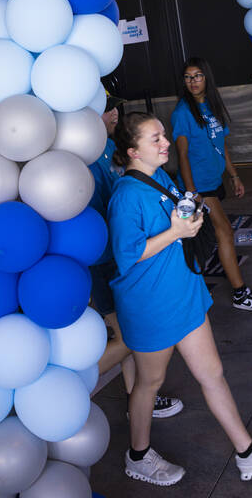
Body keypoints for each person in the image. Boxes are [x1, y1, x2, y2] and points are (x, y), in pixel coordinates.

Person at [109, 111, 252, 485]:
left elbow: (176, 215)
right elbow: (127, 254)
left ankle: (248, 454)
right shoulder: (127, 196)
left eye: (163, 135)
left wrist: (189, 215)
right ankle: (138, 456)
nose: (166, 143)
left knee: (213, 376)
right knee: (150, 383)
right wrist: (177, 231)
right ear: (132, 151)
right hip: (150, 305)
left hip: (185, 294)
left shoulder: (160, 176)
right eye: (155, 140)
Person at [91, 94, 183, 419]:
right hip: (105, 261)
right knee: (129, 338)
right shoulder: (87, 158)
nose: (113, 113)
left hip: (120, 261)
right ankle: (72, 385)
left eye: (114, 106)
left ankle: (137, 401)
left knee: (131, 338)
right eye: (104, 109)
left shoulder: (109, 151)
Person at [172, 57, 252, 313]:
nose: (193, 81)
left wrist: (234, 175)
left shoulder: (213, 106)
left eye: (198, 76)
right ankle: (240, 293)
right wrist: (192, 192)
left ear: (207, 78)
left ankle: (188, 287)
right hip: (198, 186)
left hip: (214, 181)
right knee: (224, 232)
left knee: (197, 237)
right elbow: (182, 154)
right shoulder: (183, 112)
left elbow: (222, 145)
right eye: (188, 77)